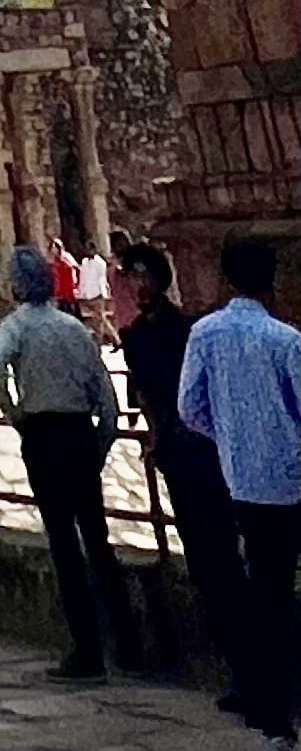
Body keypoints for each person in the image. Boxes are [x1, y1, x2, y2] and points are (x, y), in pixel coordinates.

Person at [177, 235, 301, 751]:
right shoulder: (285, 340)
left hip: (247, 487)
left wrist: (232, 439)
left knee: (269, 605)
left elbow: (188, 407)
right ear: (271, 279)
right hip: (295, 478)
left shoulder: (205, 334)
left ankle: (279, 737)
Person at [0, 244, 136, 680]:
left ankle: (87, 651)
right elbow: (105, 397)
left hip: (44, 434)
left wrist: (15, 414)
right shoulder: (73, 328)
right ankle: (127, 644)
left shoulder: (16, 328)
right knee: (98, 539)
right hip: (80, 434)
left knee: (65, 545)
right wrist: (100, 442)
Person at [118, 244, 249, 717]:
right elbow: (144, 394)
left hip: (204, 453)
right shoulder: (135, 336)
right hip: (179, 452)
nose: (134, 283)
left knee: (226, 561)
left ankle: (250, 671)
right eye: (129, 275)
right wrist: (158, 435)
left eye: (138, 274)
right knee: (206, 566)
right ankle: (241, 669)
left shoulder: (188, 330)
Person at [75, 246, 113, 347]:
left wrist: (104, 294)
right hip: (87, 294)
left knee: (99, 319)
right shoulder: (84, 262)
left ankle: (101, 340)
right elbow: (82, 279)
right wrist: (81, 293)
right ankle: (112, 338)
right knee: (93, 319)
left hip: (97, 294)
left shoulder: (100, 263)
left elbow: (102, 279)